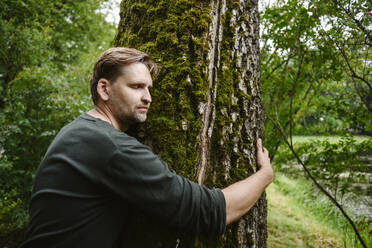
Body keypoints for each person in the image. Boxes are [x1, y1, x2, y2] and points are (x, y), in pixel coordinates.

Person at [20, 47, 274, 247]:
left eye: (149, 88)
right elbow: (207, 211)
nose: (148, 97)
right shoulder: (109, 146)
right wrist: (264, 176)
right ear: (104, 89)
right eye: (136, 87)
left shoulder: (79, 131)